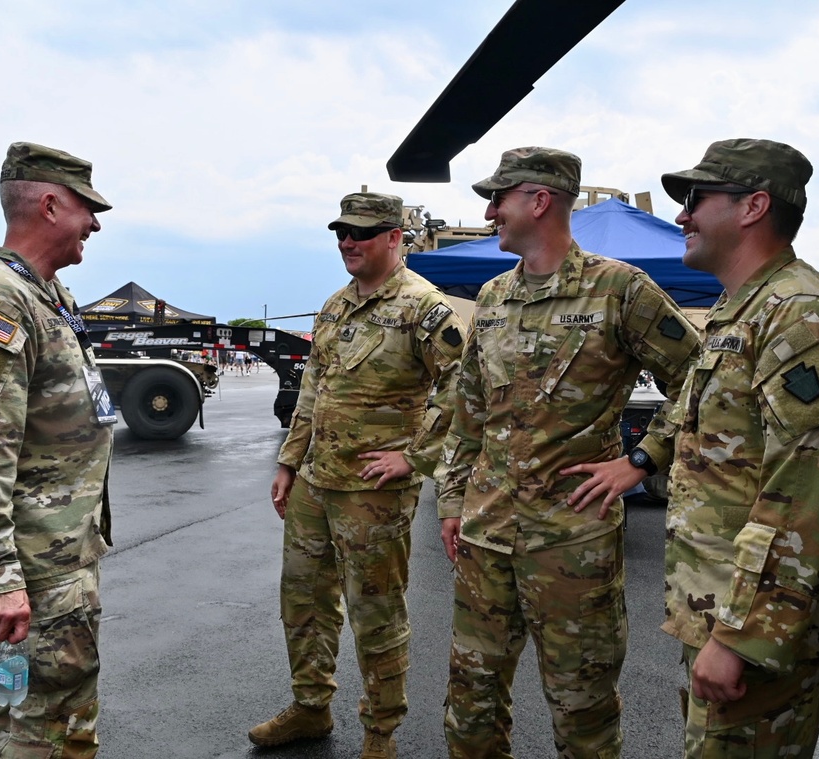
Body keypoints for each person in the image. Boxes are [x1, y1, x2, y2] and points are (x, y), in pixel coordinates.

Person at [573, 139, 819, 758]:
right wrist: (640, 461)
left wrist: (740, 635)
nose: (681, 216)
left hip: (755, 627)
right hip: (721, 607)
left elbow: (802, 497)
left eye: (696, 199)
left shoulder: (803, 316)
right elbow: (697, 416)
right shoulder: (742, 309)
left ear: (753, 206)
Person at [436, 146, 700, 758]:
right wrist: (453, 500)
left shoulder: (619, 289)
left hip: (571, 544)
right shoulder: (495, 296)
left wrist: (642, 459)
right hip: (485, 535)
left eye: (498, 197)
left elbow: (701, 377)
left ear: (539, 200)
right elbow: (468, 409)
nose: (490, 210)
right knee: (470, 701)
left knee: (582, 711)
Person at [248, 192, 465, 759]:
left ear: (395, 237)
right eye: (342, 231)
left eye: (362, 232)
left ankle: (380, 732)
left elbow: (463, 389)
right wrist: (289, 462)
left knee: (375, 612)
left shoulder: (426, 309)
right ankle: (311, 707)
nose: (348, 241)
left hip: (374, 493)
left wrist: (414, 459)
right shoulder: (335, 307)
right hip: (316, 485)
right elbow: (311, 394)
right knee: (303, 602)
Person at [0, 141, 116, 757]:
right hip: (34, 564)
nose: (94, 222)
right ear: (48, 205)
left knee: (34, 701)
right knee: (40, 717)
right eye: (85, 208)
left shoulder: (46, 293)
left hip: (62, 552)